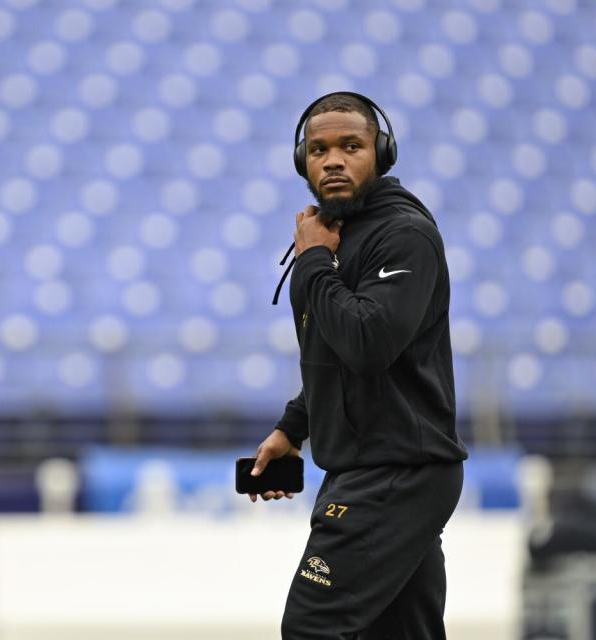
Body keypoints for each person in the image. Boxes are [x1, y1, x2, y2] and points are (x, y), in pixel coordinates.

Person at [248, 91, 469, 639]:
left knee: (312, 627)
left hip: (395, 472)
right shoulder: (333, 233)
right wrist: (294, 426)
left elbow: (369, 342)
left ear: (382, 153)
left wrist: (315, 262)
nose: (334, 160)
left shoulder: (403, 235)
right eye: (319, 149)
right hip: (380, 467)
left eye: (352, 145)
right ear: (303, 162)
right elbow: (338, 355)